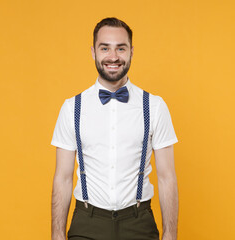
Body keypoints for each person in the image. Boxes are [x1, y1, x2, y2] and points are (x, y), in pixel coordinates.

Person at [51, 17, 179, 240]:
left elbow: (167, 177)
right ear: (93, 52)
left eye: (121, 48)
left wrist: (170, 235)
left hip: (139, 224)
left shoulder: (155, 106)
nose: (113, 57)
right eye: (105, 48)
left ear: (131, 52)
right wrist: (57, 235)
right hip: (86, 224)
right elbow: (62, 178)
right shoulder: (72, 108)